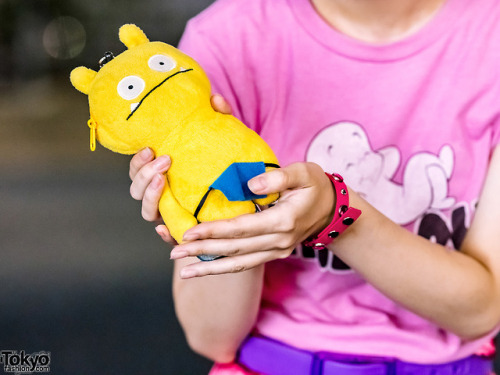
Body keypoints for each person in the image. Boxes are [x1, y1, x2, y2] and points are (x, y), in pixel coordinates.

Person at [128, 0, 500, 373]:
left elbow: (482, 310)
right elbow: (212, 335)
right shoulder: (227, 38)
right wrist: (228, 217)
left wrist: (335, 216)